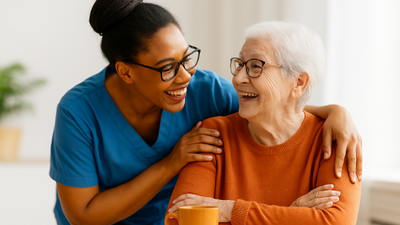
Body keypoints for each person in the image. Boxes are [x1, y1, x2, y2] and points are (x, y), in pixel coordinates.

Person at [49, 1, 362, 224]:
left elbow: (271, 107)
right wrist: (172, 163)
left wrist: (334, 112)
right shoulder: (78, 112)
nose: (186, 76)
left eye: (187, 57)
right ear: (126, 72)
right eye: (168, 68)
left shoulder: (207, 91)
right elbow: (85, 215)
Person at [166, 21, 361, 225]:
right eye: (240, 64)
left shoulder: (334, 138)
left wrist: (229, 209)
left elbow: (336, 222)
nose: (238, 78)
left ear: (298, 83)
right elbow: (179, 219)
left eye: (255, 67)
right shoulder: (213, 134)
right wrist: (291, 214)